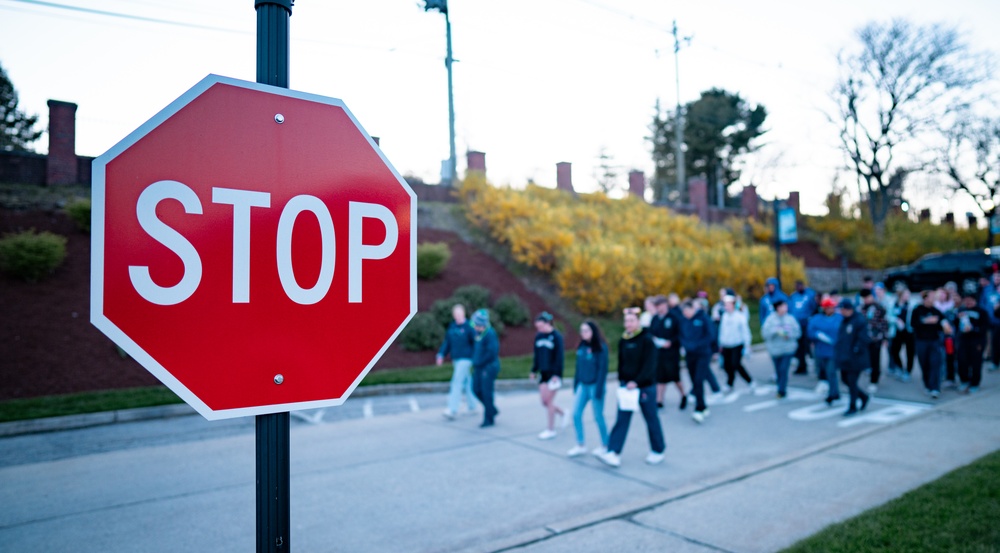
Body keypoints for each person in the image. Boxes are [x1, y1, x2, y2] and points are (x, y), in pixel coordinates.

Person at [599, 308, 666, 468]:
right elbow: (622, 364)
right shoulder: (624, 340)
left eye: (631, 321)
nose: (628, 324)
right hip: (627, 388)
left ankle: (658, 450)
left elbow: (650, 365)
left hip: (644, 387)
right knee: (622, 419)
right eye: (626, 321)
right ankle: (613, 452)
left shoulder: (647, 339)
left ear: (638, 322)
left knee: (651, 418)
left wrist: (636, 381)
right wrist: (623, 380)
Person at [567, 320, 610, 457]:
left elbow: (602, 370)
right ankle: (580, 444)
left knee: (598, 417)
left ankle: (605, 445)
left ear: (593, 331)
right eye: (582, 330)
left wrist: (598, 390)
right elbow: (578, 367)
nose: (583, 333)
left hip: (595, 386)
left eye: (586, 330)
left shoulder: (601, 348)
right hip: (582, 386)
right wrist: (576, 383)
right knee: (576, 414)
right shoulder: (582, 346)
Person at [436, 304, 479, 420]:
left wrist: (476, 357)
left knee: (456, 382)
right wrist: (441, 354)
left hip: (466, 359)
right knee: (467, 382)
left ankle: (452, 409)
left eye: (460, 314)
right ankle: (472, 406)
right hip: (456, 359)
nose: (458, 316)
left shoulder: (469, 326)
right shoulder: (452, 327)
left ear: (463, 313)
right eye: (456, 314)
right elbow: (447, 343)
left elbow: (476, 342)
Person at [530, 311, 566, 440]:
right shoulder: (539, 336)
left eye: (541, 326)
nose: (539, 329)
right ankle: (563, 413)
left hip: (554, 375)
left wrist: (557, 374)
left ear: (547, 323)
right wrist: (534, 370)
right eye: (537, 327)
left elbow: (560, 357)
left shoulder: (556, 337)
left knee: (549, 402)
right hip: (543, 373)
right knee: (544, 401)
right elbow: (537, 355)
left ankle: (550, 429)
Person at [680, 300, 717, 422]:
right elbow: (681, 336)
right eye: (683, 312)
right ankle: (703, 406)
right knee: (694, 381)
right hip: (690, 355)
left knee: (698, 379)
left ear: (692, 309)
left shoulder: (703, 318)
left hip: (703, 354)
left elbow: (711, 335)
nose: (685, 314)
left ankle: (699, 409)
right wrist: (686, 345)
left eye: (687, 311)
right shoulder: (684, 320)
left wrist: (696, 345)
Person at [912, 291, 953, 399]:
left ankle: (935, 387)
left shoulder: (936, 311)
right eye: (930, 298)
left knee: (935, 363)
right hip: (921, 341)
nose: (932, 300)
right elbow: (913, 324)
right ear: (925, 299)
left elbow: (943, 324)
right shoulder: (917, 310)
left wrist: (946, 327)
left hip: (934, 341)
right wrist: (926, 321)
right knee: (924, 364)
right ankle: (927, 385)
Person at [835, 299, 871, 416]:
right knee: (845, 380)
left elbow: (863, 339)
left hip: (855, 359)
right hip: (844, 358)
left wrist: (856, 350)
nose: (840, 312)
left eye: (842, 309)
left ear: (848, 309)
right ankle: (863, 396)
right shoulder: (844, 320)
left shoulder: (859, 320)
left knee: (852, 382)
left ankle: (852, 406)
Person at [649, 295, 685, 410]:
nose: (658, 308)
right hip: (659, 352)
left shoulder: (674, 317)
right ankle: (659, 400)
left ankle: (683, 395)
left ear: (665, 305)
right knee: (660, 377)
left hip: (671, 352)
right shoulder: (655, 319)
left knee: (674, 376)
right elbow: (651, 333)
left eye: (659, 305)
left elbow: (680, 334)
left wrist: (671, 342)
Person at [761, 299, 801, 399]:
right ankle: (781, 387)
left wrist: (789, 334)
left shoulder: (790, 319)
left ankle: (781, 390)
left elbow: (798, 332)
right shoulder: (770, 320)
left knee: (783, 369)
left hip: (788, 349)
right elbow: (765, 333)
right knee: (778, 370)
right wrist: (776, 331)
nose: (785, 308)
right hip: (775, 350)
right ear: (778, 308)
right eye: (783, 306)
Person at [807, 297, 843, 405]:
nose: (829, 310)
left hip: (833, 351)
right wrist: (818, 335)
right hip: (820, 350)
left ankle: (833, 393)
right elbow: (810, 332)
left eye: (831, 307)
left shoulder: (839, 318)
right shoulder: (816, 319)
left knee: (831, 372)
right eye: (827, 308)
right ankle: (831, 391)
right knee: (822, 372)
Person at [717, 295, 755, 392]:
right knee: (727, 365)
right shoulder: (725, 316)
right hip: (726, 345)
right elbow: (722, 331)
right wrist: (721, 343)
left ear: (733, 305)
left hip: (737, 344)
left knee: (736, 364)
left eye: (728, 304)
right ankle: (730, 383)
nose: (727, 306)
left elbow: (745, 331)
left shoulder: (739, 316)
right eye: (725, 305)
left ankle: (750, 381)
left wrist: (747, 344)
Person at [470, 308, 501, 427]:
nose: (474, 326)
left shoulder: (490, 334)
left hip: (488, 367)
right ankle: (492, 409)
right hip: (478, 367)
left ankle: (489, 419)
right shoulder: (478, 334)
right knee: (475, 389)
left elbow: (492, 353)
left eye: (476, 324)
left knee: (487, 392)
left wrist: (480, 362)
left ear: (481, 324)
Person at [956, 293, 988, 393]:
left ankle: (975, 383)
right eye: (966, 300)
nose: (968, 302)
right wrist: (957, 319)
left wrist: (973, 329)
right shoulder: (961, 310)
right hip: (963, 340)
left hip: (977, 341)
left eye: (970, 300)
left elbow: (985, 327)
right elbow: (955, 325)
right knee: (962, 361)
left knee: (976, 363)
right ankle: (964, 381)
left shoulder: (982, 312)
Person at [859, 289, 888, 394]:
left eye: (867, 297)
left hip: (876, 339)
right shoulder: (861, 308)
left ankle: (874, 380)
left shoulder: (878, 308)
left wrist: (885, 338)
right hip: (865, 338)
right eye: (864, 298)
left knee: (875, 360)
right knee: (867, 359)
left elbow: (884, 323)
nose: (866, 300)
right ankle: (870, 373)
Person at [788, 280, 817, 375]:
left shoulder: (810, 294)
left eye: (800, 286)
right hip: (796, 324)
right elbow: (791, 308)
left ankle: (811, 362)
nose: (798, 288)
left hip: (806, 324)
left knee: (806, 345)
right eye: (797, 286)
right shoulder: (794, 296)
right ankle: (801, 366)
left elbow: (814, 307)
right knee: (799, 346)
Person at [888, 288, 915, 382]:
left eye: (908, 295)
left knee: (910, 352)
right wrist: (896, 320)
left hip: (908, 332)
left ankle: (908, 371)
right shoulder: (893, 305)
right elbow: (888, 316)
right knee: (894, 350)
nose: (907, 297)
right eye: (905, 294)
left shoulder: (911, 306)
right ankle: (899, 368)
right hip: (897, 332)